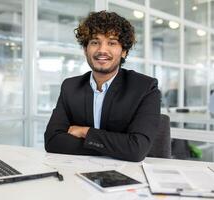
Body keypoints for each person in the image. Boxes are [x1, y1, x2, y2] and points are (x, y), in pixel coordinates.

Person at [44, 11, 161, 162]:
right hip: (76, 172)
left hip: (130, 176)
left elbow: (136, 149)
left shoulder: (145, 88)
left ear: (124, 51)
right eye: (94, 42)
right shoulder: (70, 87)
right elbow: (53, 141)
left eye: (112, 43)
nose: (102, 50)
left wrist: (86, 132)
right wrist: (115, 147)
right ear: (85, 50)